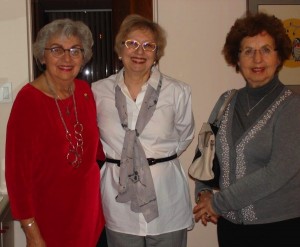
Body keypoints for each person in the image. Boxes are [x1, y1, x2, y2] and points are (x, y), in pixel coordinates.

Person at [193, 12, 300, 247]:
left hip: (279, 229)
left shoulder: (292, 107)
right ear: (237, 59)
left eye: (266, 49)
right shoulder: (225, 102)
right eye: (248, 51)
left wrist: (217, 204)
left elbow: (277, 172)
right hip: (231, 230)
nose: (257, 59)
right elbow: (204, 154)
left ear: (279, 56)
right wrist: (203, 194)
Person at [92, 14, 195, 247]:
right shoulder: (98, 92)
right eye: (132, 43)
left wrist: (151, 159)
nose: (140, 51)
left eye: (149, 45)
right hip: (119, 202)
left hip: (166, 198)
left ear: (157, 54)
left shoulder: (177, 91)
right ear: (120, 49)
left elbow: (185, 135)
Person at [5, 19, 105, 247]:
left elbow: (96, 151)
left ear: (84, 56)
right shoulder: (28, 100)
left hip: (90, 214)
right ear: (42, 56)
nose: (67, 58)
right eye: (56, 50)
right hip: (50, 218)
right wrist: (31, 231)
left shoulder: (85, 92)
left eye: (74, 50)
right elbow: (17, 174)